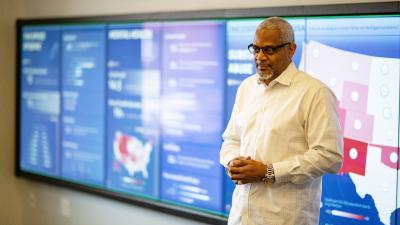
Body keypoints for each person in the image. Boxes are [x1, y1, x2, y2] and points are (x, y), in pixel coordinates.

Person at [220, 16, 343, 225]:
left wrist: (269, 172)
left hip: (286, 219)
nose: (260, 57)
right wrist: (232, 161)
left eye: (269, 50)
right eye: (256, 48)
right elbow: (231, 139)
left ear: (291, 49)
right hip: (242, 217)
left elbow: (329, 156)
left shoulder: (315, 93)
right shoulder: (247, 88)